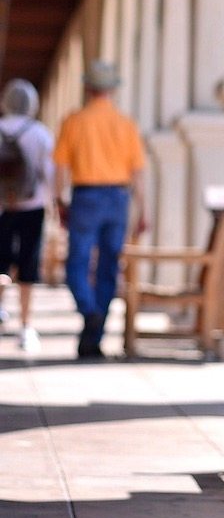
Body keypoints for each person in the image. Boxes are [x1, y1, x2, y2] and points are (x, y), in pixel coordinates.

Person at [54, 60, 147, 360]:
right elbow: (138, 174)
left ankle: (89, 313)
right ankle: (94, 333)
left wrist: (59, 200)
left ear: (87, 87)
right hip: (118, 198)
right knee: (108, 267)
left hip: (86, 197)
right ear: (113, 89)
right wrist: (143, 210)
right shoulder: (126, 124)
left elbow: (60, 167)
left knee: (77, 264)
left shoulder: (74, 121)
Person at [0, 79, 55, 353]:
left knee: (0, 263)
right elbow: (49, 175)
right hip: (33, 207)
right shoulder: (40, 133)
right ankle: (25, 325)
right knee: (28, 265)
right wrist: (55, 205)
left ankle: (0, 309)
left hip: (1, 208)